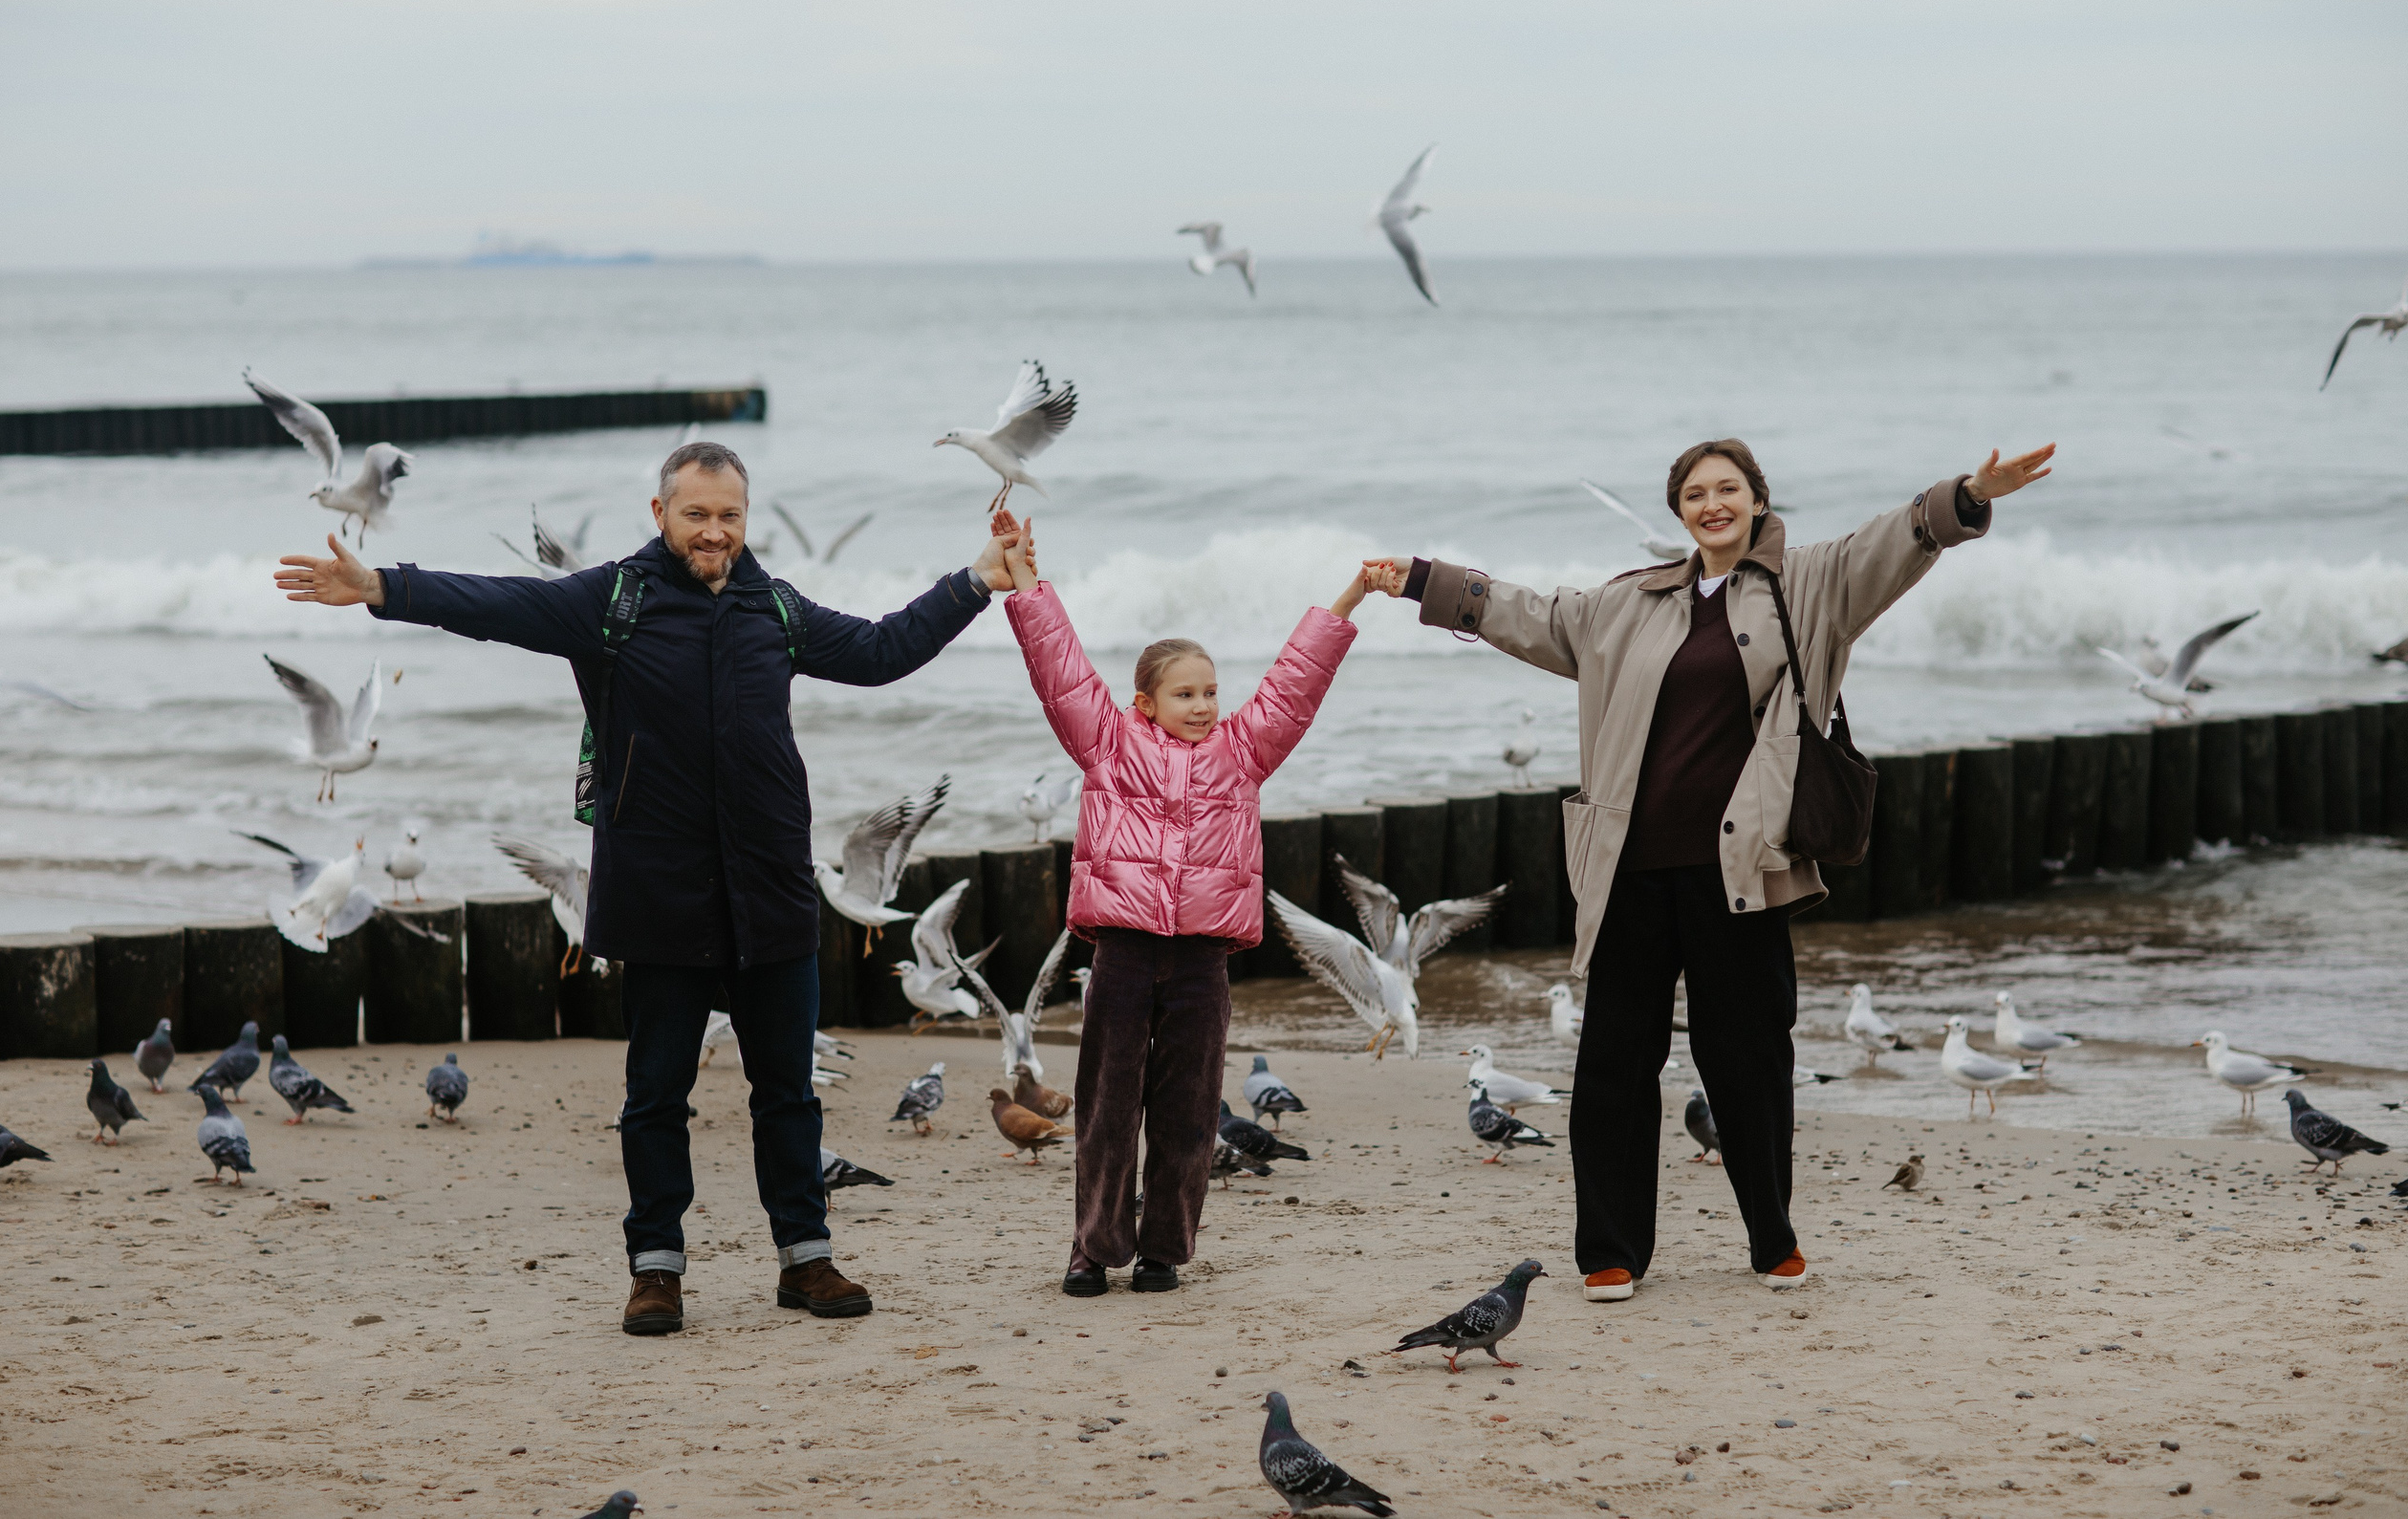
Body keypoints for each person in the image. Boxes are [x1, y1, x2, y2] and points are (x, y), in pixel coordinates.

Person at [274, 442, 1026, 1334]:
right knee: (656, 1095)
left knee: (788, 1090)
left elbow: (877, 650)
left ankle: (806, 1258)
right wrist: (385, 588)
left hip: (770, 885)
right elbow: (501, 605)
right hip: (659, 889)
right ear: (661, 513)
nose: (715, 531)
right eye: (698, 513)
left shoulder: (773, 607)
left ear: (747, 520)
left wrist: (976, 580)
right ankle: (656, 1269)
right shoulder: (614, 601)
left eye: (731, 515)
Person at [1366, 439, 2053, 1302]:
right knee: (1615, 1065)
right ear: (1679, 509)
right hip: (1628, 871)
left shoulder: (1810, 583)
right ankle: (1610, 1250)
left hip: (1742, 869)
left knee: (1751, 1062)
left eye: (1728, 488)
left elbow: (1895, 541)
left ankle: (1773, 1238)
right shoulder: (1630, 602)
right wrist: (1424, 579)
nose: (1712, 502)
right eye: (1695, 492)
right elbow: (1531, 615)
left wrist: (1967, 496)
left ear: (1759, 499)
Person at [999, 518, 1387, 1294]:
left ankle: (1163, 1251)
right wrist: (1023, 581)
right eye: (1186, 693)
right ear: (1145, 702)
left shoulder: (1243, 752)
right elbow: (1059, 669)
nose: (1205, 705)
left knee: (1186, 1113)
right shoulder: (1107, 742)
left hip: (1202, 961)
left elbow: (1297, 679)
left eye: (1212, 691)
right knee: (1107, 1110)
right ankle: (1092, 1246)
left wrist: (1354, 593)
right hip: (1124, 952)